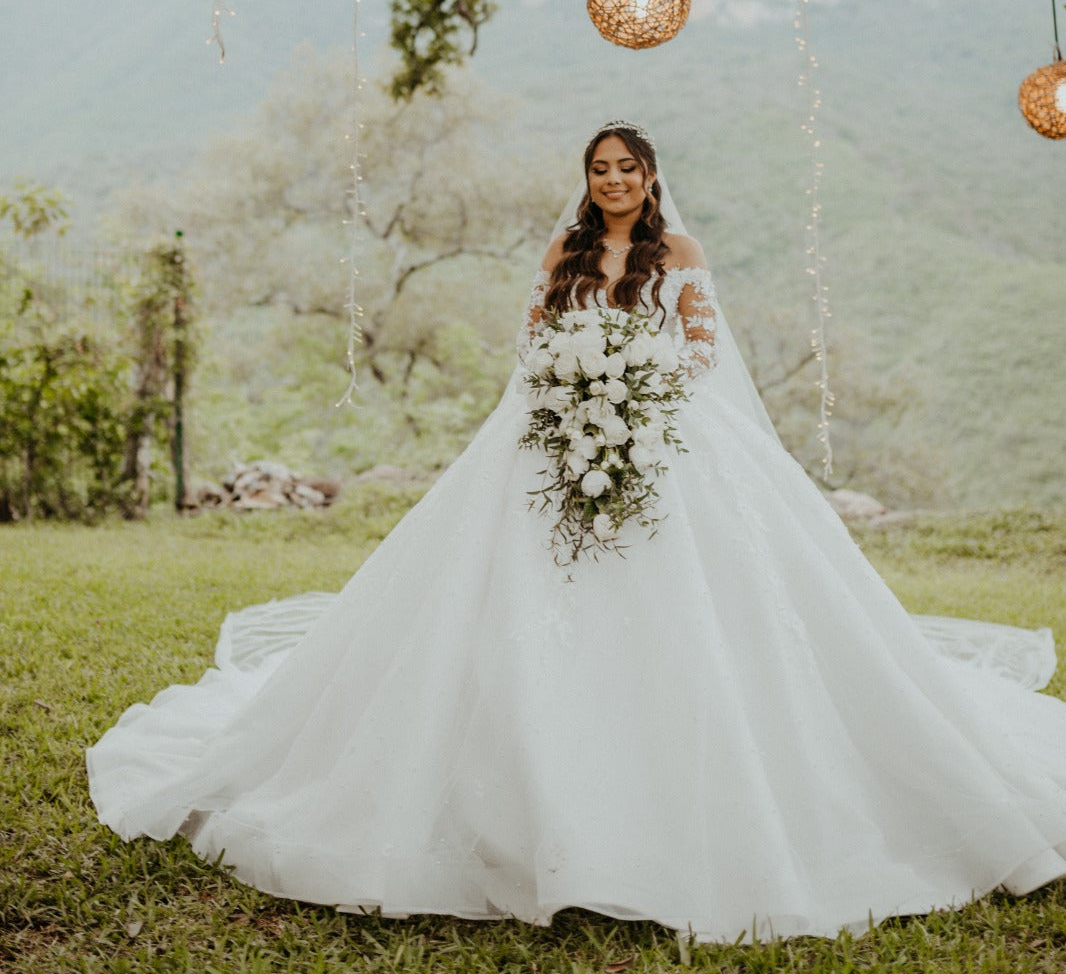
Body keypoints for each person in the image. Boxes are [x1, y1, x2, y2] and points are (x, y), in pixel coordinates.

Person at [87, 120, 1066, 944]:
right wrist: (571, 381)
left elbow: (702, 350)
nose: (612, 181)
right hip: (554, 435)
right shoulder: (560, 254)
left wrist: (635, 386)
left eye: (626, 168)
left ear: (649, 178)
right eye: (599, 169)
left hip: (667, 441)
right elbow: (529, 346)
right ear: (587, 181)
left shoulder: (677, 256)